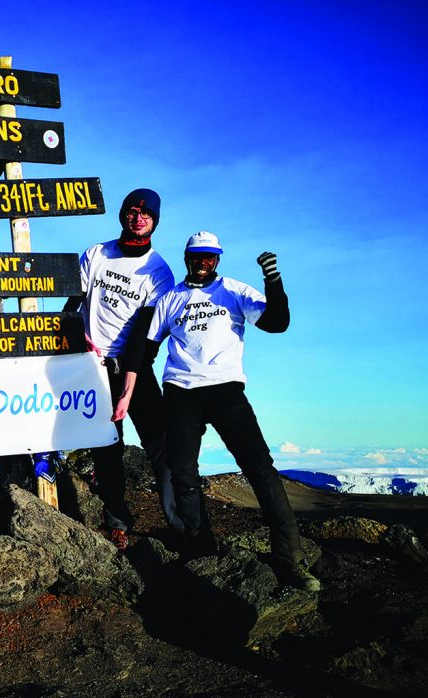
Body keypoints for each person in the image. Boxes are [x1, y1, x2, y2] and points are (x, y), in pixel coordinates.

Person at [123, 231, 319, 591]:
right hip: (181, 393)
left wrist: (273, 280)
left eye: (209, 257)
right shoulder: (171, 299)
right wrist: (130, 387)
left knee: (260, 469)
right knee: (182, 472)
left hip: (227, 391)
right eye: (197, 256)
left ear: (218, 259)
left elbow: (278, 322)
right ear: (187, 258)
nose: (203, 262)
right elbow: (145, 348)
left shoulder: (234, 290)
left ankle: (291, 561)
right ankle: (200, 551)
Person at [67, 188, 183, 550]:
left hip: (134, 365)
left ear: (155, 222)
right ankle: (117, 521)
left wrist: (129, 383)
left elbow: (146, 333)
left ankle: (180, 523)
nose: (137, 218)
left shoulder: (158, 272)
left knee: (162, 444)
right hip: (92, 364)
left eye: (145, 214)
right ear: (123, 215)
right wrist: (77, 339)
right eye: (132, 211)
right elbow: (72, 304)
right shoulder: (96, 254)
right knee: (107, 447)